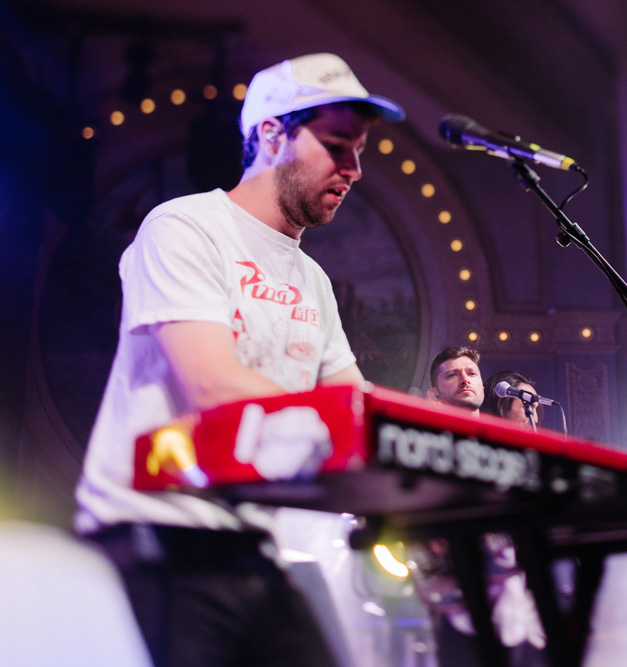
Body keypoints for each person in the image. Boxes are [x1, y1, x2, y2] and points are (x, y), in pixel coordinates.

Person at [73, 52, 405, 667]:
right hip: (161, 543)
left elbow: (353, 408)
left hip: (257, 548)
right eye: (338, 144)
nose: (355, 169)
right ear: (271, 134)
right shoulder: (184, 227)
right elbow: (210, 384)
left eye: (360, 150)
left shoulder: (313, 279)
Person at [414, 347, 548, 666]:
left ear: (483, 388)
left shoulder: (507, 450)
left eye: (471, 373)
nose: (465, 379)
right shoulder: (426, 448)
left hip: (517, 609)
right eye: (452, 374)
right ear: (434, 394)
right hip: (459, 609)